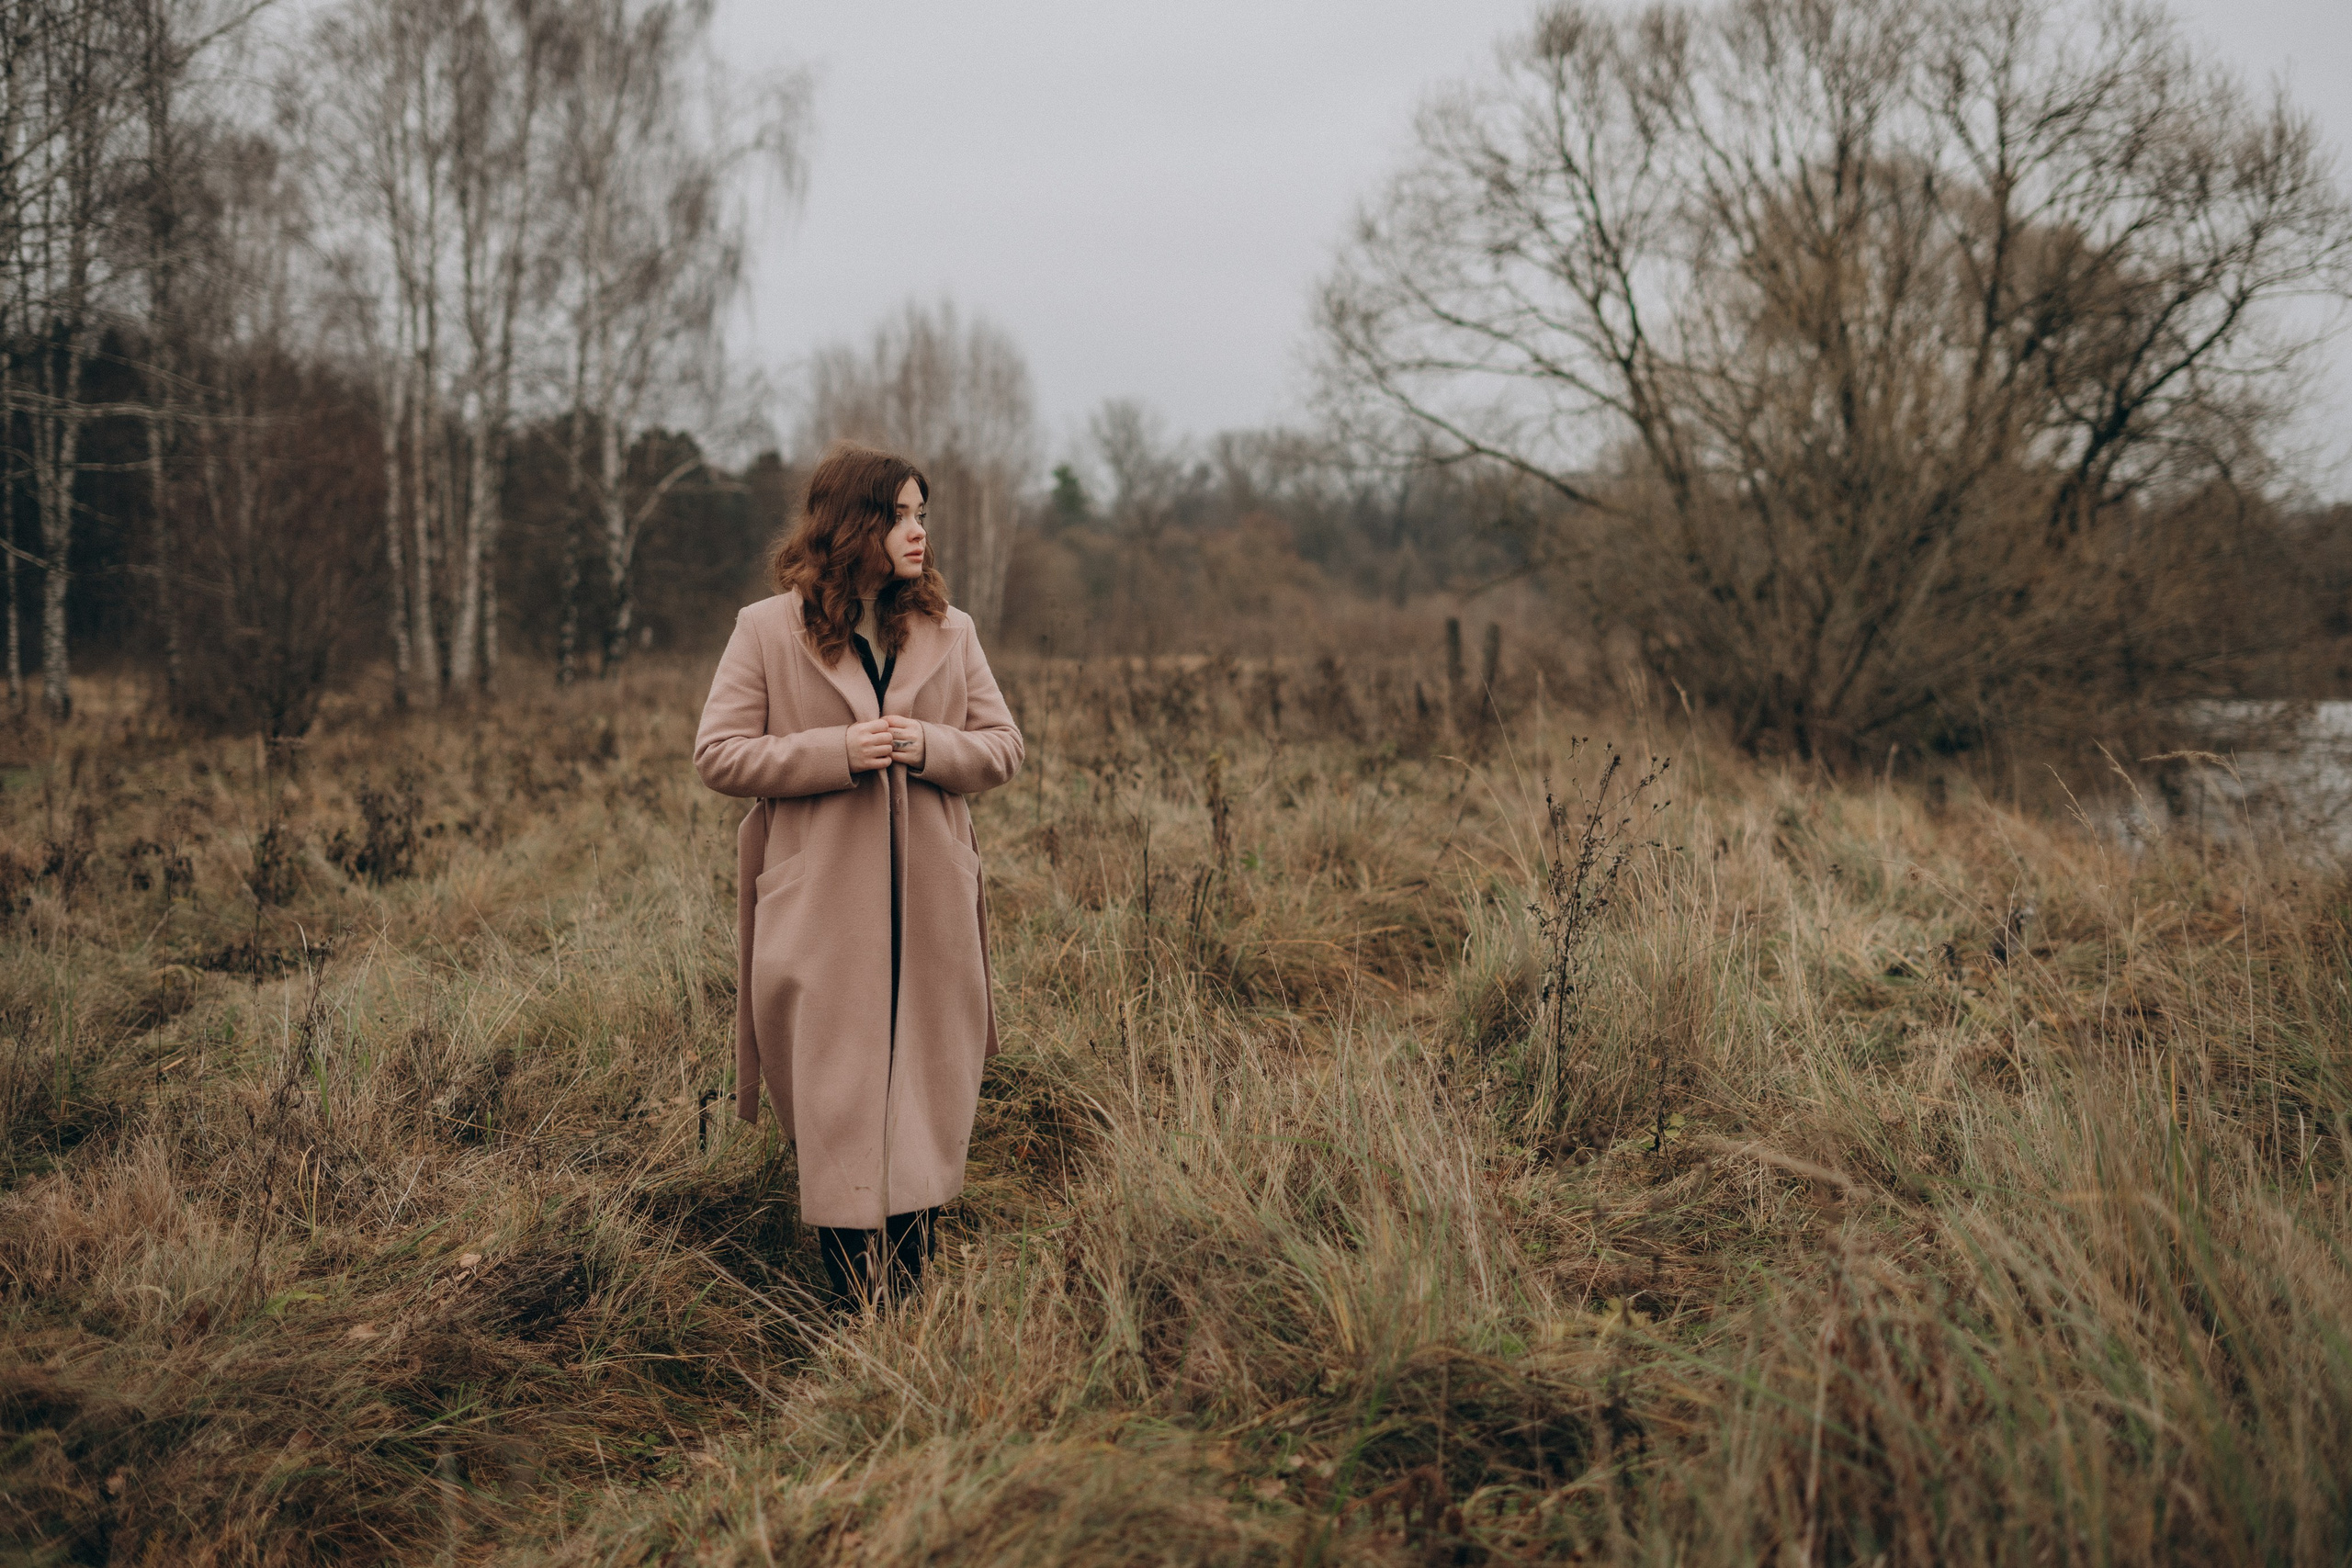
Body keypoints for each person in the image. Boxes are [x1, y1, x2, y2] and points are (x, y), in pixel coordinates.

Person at [693, 442, 1023, 1310]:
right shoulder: (765, 629)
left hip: (932, 916)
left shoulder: (953, 633)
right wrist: (834, 751)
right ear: (854, 525)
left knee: (924, 1099)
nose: (920, 532)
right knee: (839, 1108)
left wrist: (929, 746)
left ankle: (905, 1323)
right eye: (902, 515)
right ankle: (854, 1316)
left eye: (923, 514)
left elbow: (1002, 749)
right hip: (822, 916)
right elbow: (718, 754)